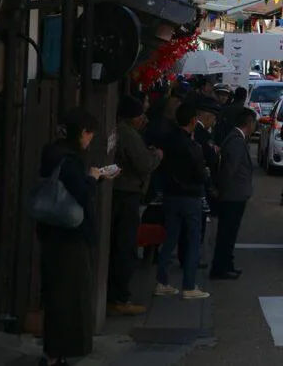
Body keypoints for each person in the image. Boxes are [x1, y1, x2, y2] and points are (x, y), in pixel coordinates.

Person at [38, 109, 110, 365]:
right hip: (70, 236)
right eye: (90, 134)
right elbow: (81, 192)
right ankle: (55, 355)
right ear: (82, 133)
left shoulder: (52, 153)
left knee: (56, 296)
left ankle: (53, 353)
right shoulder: (70, 160)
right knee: (69, 298)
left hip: (50, 233)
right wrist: (93, 178)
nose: (90, 139)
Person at [108, 97, 162, 316]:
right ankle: (120, 297)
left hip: (122, 192)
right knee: (124, 246)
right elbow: (144, 164)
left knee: (121, 245)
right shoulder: (127, 134)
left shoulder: (121, 131)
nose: (143, 120)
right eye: (141, 116)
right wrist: (156, 156)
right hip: (126, 194)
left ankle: (117, 295)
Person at [155, 103, 210, 300]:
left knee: (169, 240)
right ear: (193, 121)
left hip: (170, 195)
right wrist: (205, 174)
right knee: (193, 241)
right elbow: (200, 173)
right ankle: (188, 285)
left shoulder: (168, 140)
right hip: (190, 197)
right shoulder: (192, 146)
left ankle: (162, 282)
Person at [210, 108, 256, 280]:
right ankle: (221, 267)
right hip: (232, 195)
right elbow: (230, 169)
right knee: (227, 234)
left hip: (234, 194)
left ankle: (227, 264)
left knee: (229, 233)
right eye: (253, 123)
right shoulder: (236, 141)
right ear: (248, 123)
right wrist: (222, 189)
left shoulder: (237, 139)